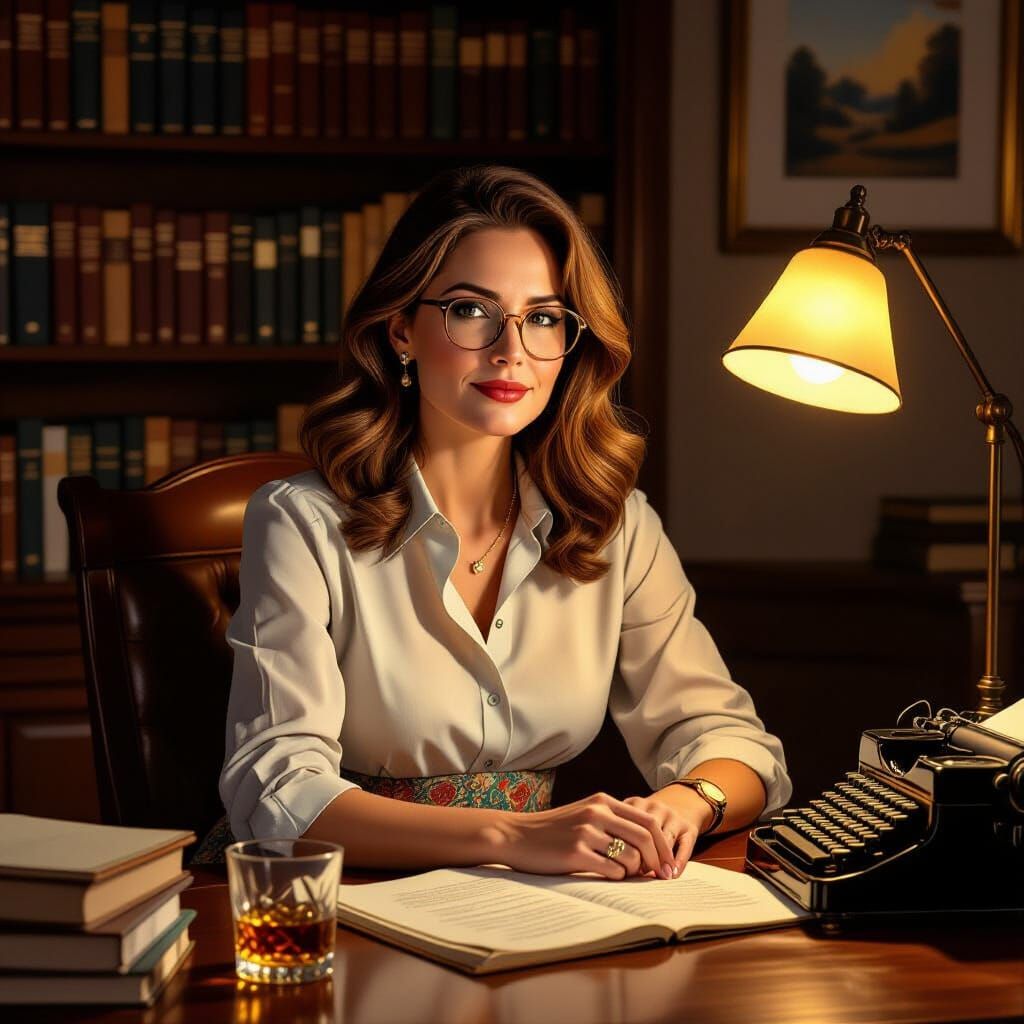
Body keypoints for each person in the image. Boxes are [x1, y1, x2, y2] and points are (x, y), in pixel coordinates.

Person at [201, 164, 792, 880]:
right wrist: (516, 837)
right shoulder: (302, 523)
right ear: (401, 331)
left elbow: (731, 741)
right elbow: (277, 790)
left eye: (543, 317)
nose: (512, 348)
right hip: (340, 894)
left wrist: (683, 801)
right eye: (471, 310)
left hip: (533, 901)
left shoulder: (614, 523)